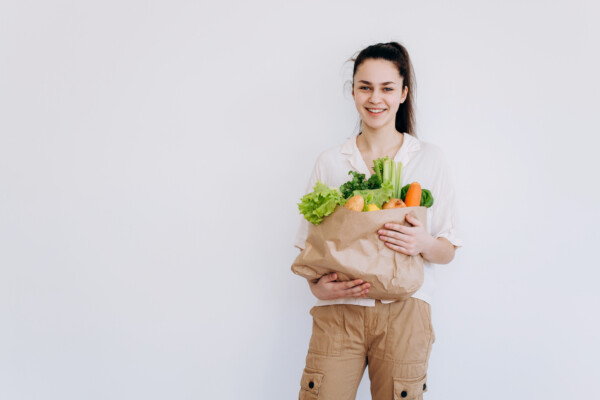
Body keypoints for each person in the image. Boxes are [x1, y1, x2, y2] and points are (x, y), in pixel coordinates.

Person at [294, 42, 463, 400]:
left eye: (387, 88)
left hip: (405, 312)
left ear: (403, 93)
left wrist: (424, 244)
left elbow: (448, 249)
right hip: (339, 312)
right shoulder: (331, 161)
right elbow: (310, 250)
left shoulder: (430, 159)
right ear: (353, 91)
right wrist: (317, 288)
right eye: (365, 87)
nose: (376, 99)